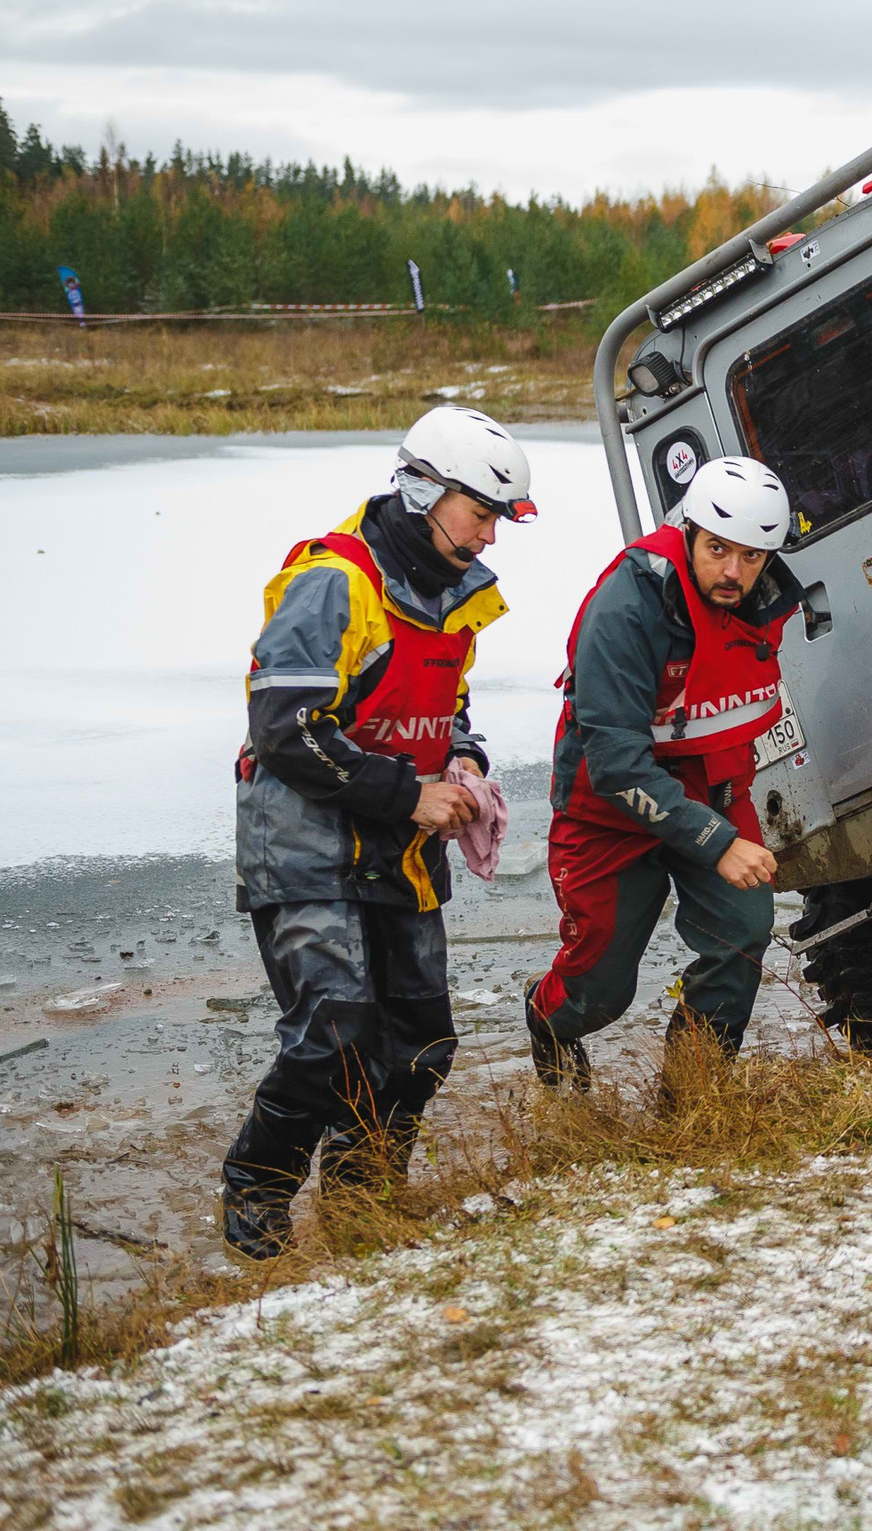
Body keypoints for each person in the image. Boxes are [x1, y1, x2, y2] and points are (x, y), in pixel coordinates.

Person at [221, 407, 535, 1260]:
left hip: (399, 846)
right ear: (425, 489)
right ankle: (257, 1189)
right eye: (482, 513)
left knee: (422, 1042)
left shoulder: (453, 592)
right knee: (333, 1034)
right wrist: (411, 794)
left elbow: (447, 705)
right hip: (304, 843)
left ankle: (364, 1201)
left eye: (500, 520)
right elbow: (284, 725)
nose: (489, 537)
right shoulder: (334, 579)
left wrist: (463, 763)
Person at [527, 456, 799, 1088]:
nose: (734, 572)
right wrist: (717, 842)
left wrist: (722, 827)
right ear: (689, 532)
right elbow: (617, 764)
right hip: (611, 809)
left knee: (743, 928)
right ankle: (549, 1022)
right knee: (600, 989)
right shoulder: (627, 607)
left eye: (753, 557)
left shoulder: (766, 596)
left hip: (714, 784)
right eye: (718, 549)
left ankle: (691, 1098)